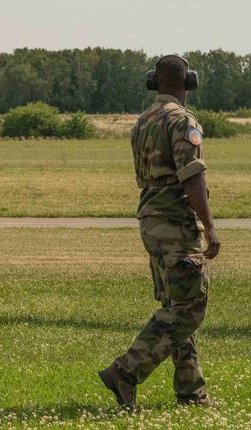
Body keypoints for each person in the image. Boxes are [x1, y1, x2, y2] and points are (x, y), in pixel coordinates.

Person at [99, 55, 221, 411]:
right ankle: (125, 371)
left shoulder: (143, 121)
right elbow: (192, 174)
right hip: (174, 222)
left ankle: (191, 389)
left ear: (155, 82)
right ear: (189, 82)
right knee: (190, 308)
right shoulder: (182, 120)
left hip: (150, 220)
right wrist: (210, 226)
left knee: (176, 304)